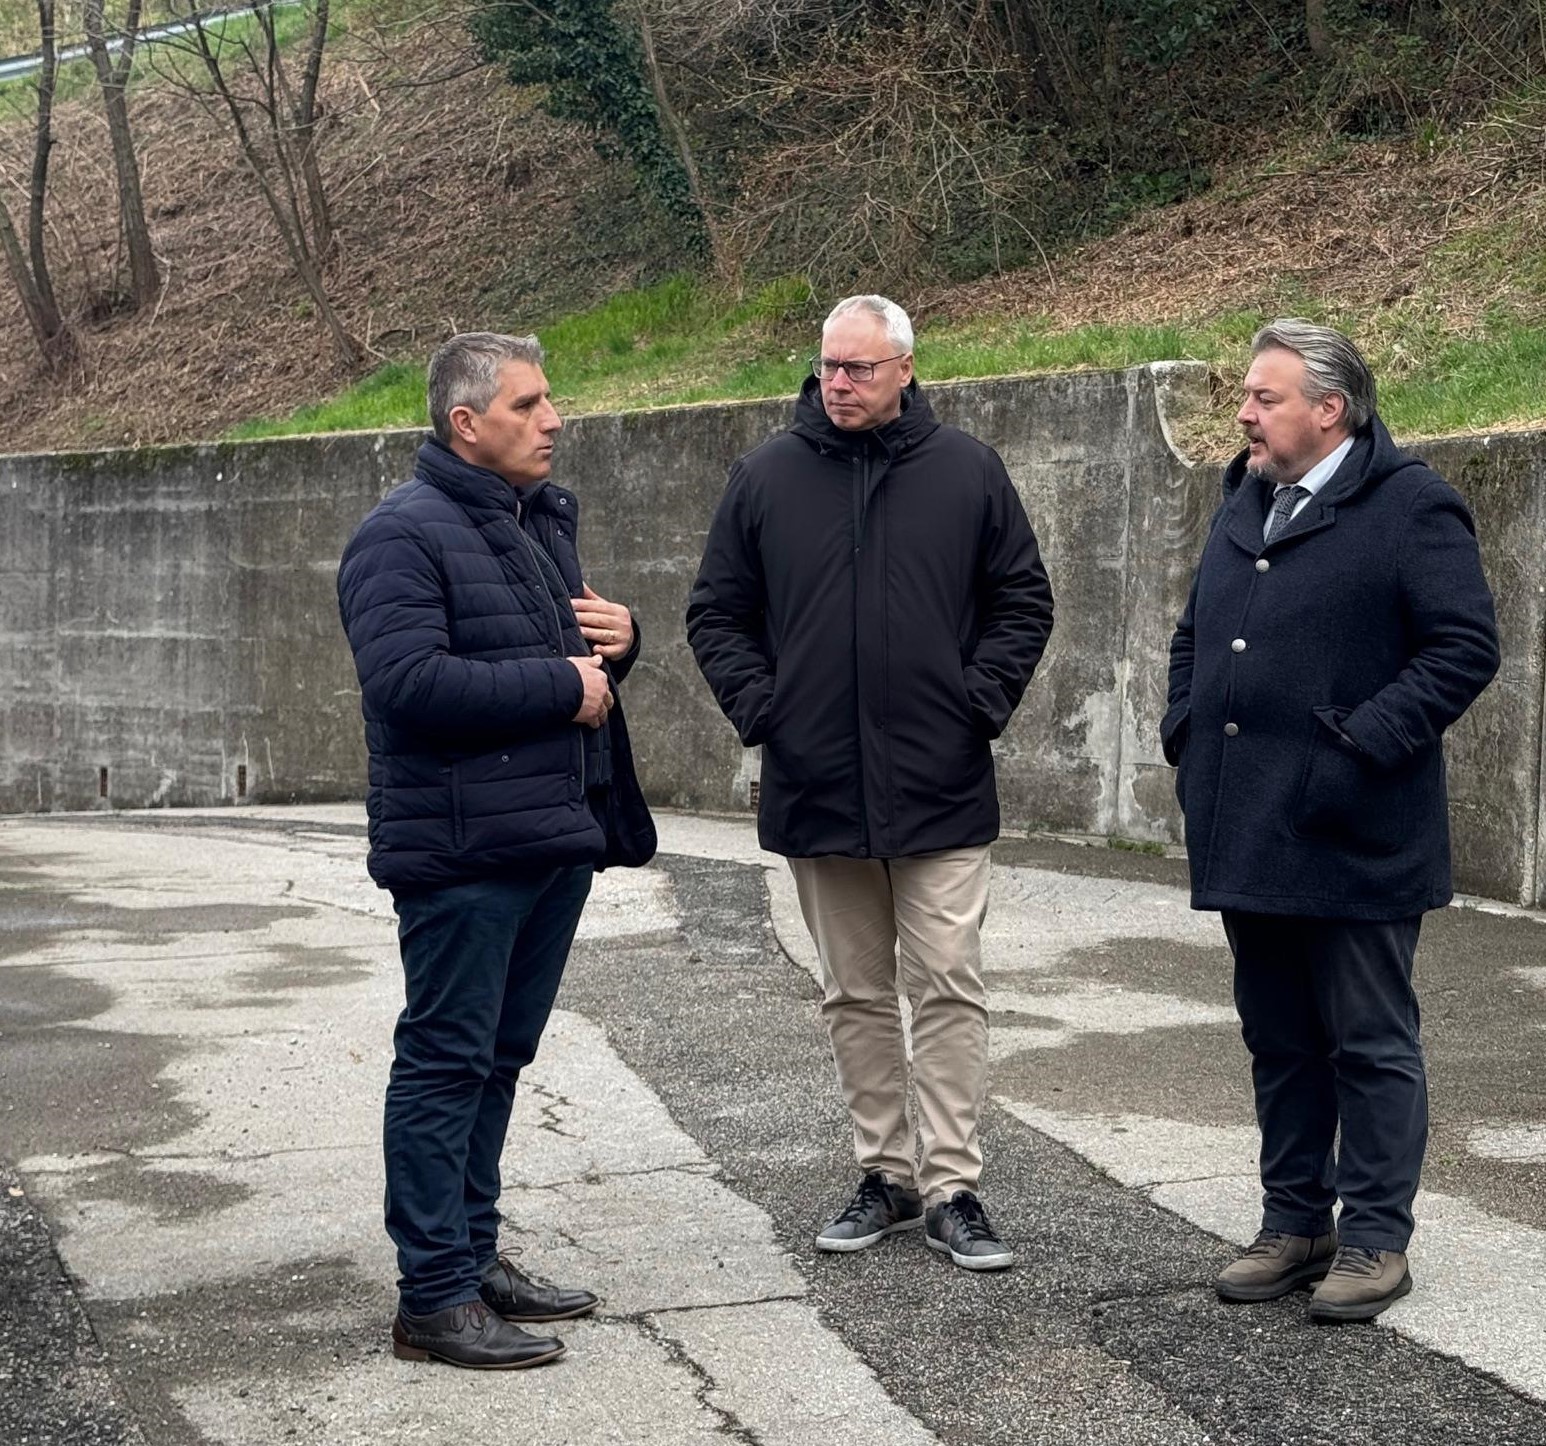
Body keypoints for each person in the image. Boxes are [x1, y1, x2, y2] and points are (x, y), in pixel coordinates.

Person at [687, 295, 1053, 1271]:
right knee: (853, 992)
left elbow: (1022, 599)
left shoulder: (967, 471)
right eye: (827, 367)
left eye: (857, 368)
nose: (836, 384)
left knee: (946, 987)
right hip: (817, 781)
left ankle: (953, 1188)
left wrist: (975, 703)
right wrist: (767, 713)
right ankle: (884, 1174)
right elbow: (717, 612)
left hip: (942, 783)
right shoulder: (765, 475)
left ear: (904, 368)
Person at [1162, 319, 1498, 1322]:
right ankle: (1294, 1220)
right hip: (1248, 822)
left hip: (1354, 829)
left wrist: (1357, 749)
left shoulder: (1411, 507)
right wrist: (1187, 729)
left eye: (1263, 398)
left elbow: (1462, 648)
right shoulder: (1247, 497)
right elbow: (1194, 635)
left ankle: (1375, 1240)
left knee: (1368, 1040)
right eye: (1247, 397)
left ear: (1329, 410)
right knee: (1278, 1038)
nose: (1243, 413)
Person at [337, 332, 654, 1368]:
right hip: (465, 854)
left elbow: (566, 660)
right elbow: (408, 684)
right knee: (444, 1060)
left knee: (499, 1060)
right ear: (466, 423)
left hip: (550, 835)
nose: (553, 419)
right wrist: (565, 684)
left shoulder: (532, 521)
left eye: (549, 399)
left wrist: (619, 643)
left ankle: (471, 1258)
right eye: (528, 404)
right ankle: (431, 1298)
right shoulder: (401, 535)